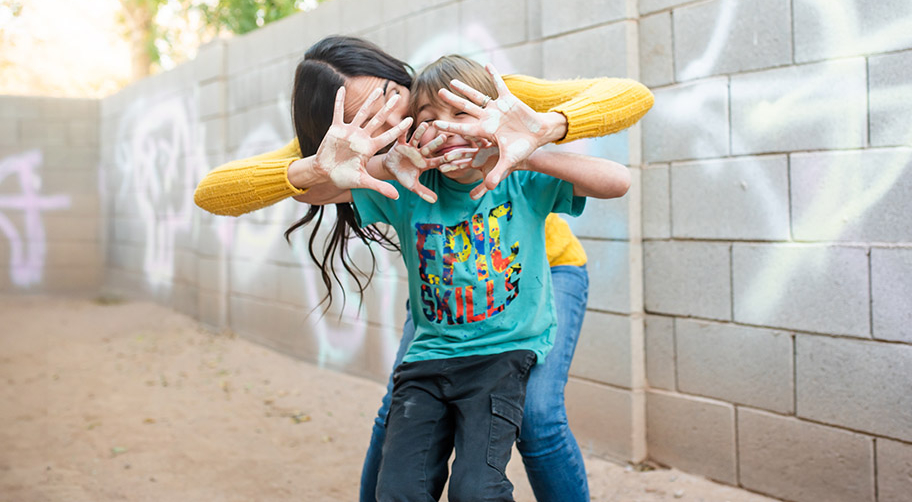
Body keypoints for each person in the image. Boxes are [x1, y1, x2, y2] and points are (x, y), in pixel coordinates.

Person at [193, 35, 654, 502]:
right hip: (446, 292)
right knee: (399, 405)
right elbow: (216, 191)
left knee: (537, 416)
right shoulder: (374, 153)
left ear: (401, 78)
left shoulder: (471, 93)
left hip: (542, 272)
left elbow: (631, 99)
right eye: (368, 115)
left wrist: (538, 133)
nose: (394, 120)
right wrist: (341, 165)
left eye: (392, 98)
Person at [304, 54, 631, 501]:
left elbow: (617, 179)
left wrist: (527, 151)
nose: (448, 128)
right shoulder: (406, 183)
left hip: (522, 317)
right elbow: (314, 190)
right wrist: (380, 165)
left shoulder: (516, 174)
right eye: (430, 118)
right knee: (397, 462)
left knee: (535, 423)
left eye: (462, 114)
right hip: (438, 345)